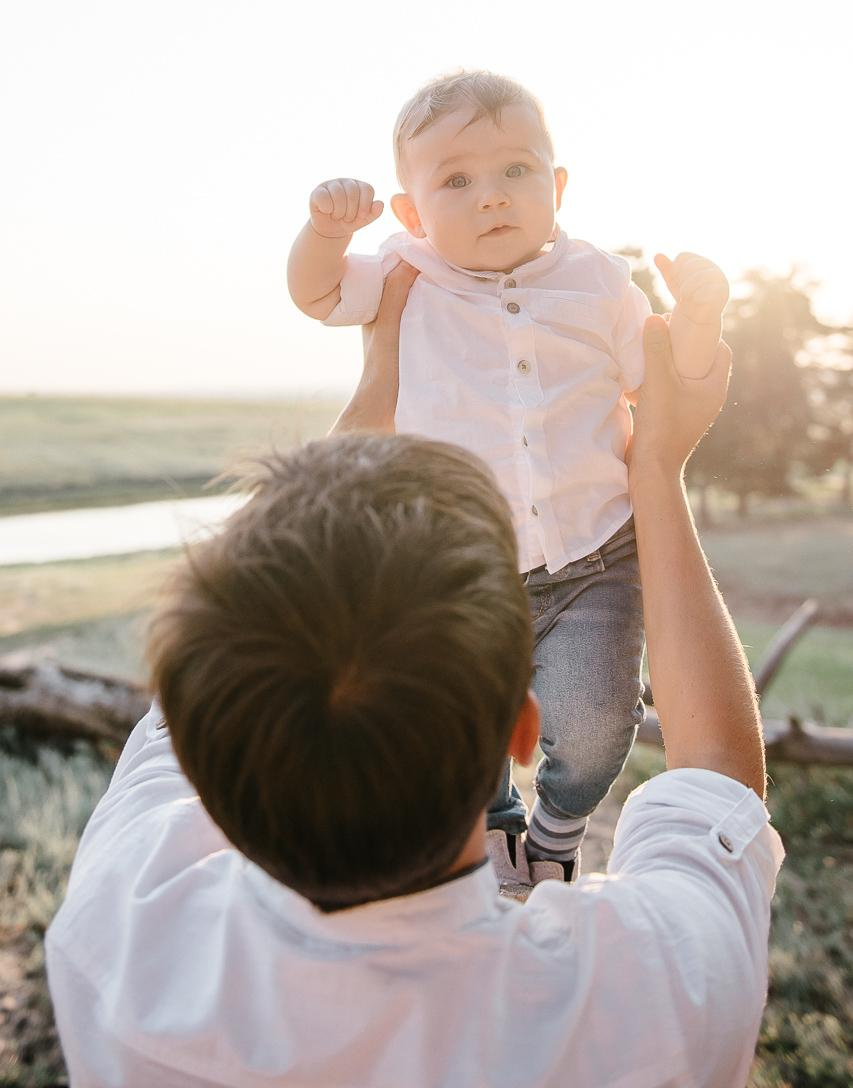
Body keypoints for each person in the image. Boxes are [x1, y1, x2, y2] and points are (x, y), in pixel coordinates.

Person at [46, 266, 783, 1087]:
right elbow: (720, 773)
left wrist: (376, 382)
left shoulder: (122, 927)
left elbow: (220, 635)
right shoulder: (652, 1000)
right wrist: (656, 470)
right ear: (522, 731)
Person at [287, 70, 731, 884]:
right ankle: (490, 820)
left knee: (597, 719)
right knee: (456, 712)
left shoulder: (598, 279)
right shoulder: (401, 272)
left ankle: (559, 827)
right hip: (455, 567)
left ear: (556, 186)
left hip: (593, 559)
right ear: (412, 211)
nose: (491, 196)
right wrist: (323, 229)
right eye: (456, 180)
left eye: (516, 171)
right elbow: (316, 293)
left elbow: (662, 382)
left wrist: (697, 325)